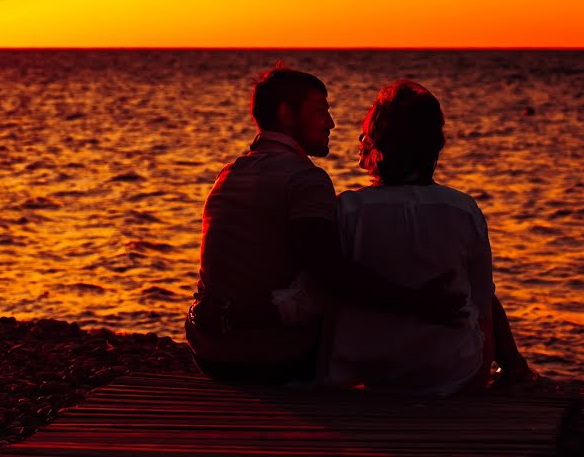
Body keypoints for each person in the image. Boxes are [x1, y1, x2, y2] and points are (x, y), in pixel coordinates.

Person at [185, 66, 466, 383]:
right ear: (286, 112)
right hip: (267, 358)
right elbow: (329, 271)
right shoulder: (305, 179)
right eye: (321, 111)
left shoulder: (229, 173)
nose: (331, 122)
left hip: (208, 351)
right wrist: (418, 302)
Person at [324, 80, 533, 394]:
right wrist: (478, 378)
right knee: (479, 291)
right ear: (436, 145)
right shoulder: (463, 210)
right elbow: (482, 309)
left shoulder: (348, 210)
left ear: (375, 143)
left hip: (365, 367)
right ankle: (516, 371)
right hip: (449, 371)